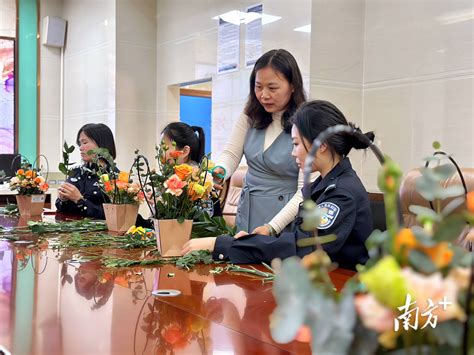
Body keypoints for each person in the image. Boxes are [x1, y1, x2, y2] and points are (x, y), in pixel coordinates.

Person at [182, 100, 374, 270]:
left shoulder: (341, 193)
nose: (293, 153)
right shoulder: (324, 183)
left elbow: (302, 248)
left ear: (322, 145)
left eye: (296, 144)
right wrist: (253, 240)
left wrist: (222, 245)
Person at [212, 49, 306, 236]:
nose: (263, 95)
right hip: (249, 209)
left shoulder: (306, 123)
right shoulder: (249, 116)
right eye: (258, 87)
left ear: (293, 86)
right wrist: (220, 170)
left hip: (285, 215)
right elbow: (231, 153)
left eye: (272, 88)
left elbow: (305, 190)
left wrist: (272, 227)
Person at [55, 123, 116, 219]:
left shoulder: (114, 176)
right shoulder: (76, 172)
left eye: (85, 142)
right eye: (80, 144)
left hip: (100, 232)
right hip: (71, 231)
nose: (80, 147)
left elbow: (115, 216)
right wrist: (63, 199)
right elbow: (61, 208)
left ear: (101, 144)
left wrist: (79, 200)